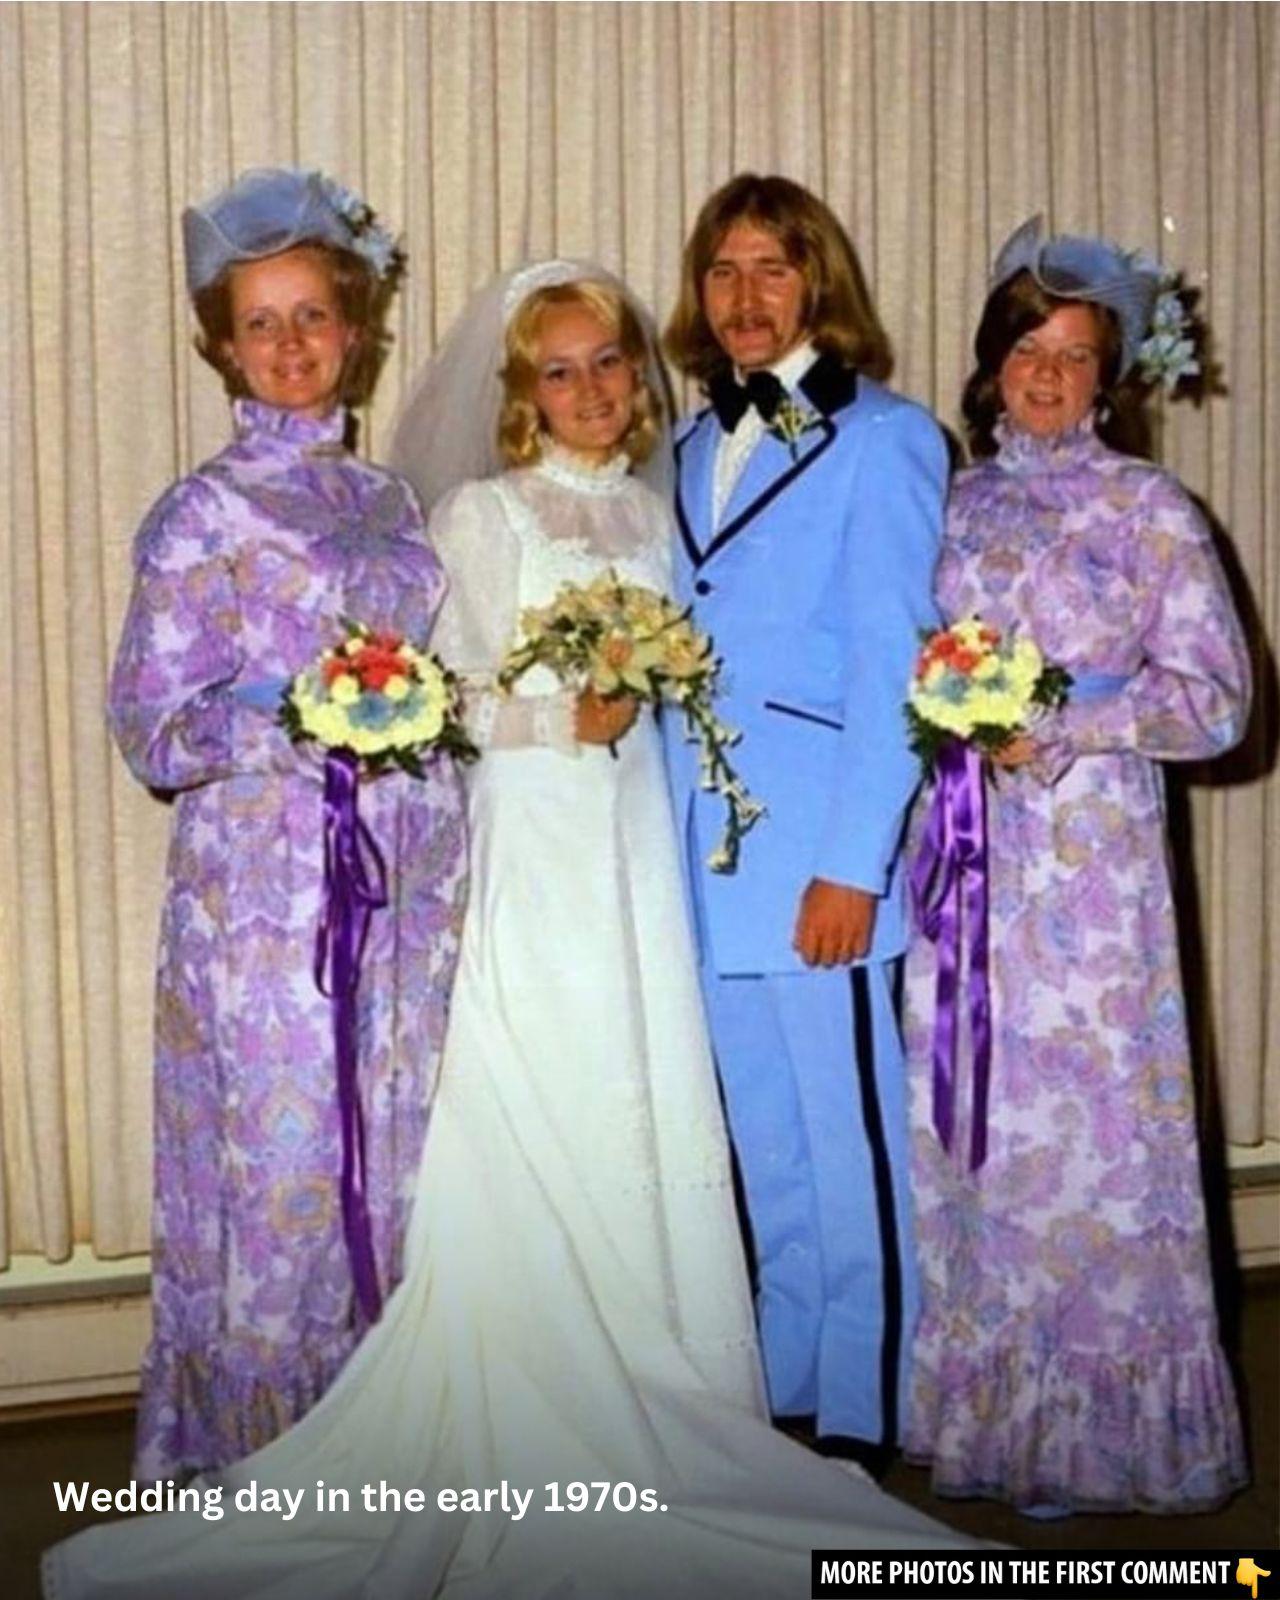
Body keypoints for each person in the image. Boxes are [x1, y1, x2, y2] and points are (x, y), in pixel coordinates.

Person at [45, 259, 969, 1600]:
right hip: (534, 839)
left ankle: (670, 1377)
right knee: (541, 1085)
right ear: (523, 389)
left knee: (649, 1089)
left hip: (638, 841)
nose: (588, 387)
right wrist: (557, 714)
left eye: (608, 362)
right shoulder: (479, 515)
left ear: (639, 377)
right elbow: (454, 694)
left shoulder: (662, 509)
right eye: (558, 368)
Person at [104, 167, 467, 1481]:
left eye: (313, 314)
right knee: (285, 1168)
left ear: (355, 330)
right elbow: (153, 725)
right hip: (267, 898)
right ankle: (264, 1468)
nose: (292, 343)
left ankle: (378, 1447)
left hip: (407, 878)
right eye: (261, 323)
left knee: (399, 1150)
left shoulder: (391, 503)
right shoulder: (201, 513)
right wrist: (305, 727)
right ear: (222, 346)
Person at [901, 215, 1250, 1515]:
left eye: (1074, 355)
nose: (1046, 376)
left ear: (1109, 376)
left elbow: (1217, 702)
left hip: (1095, 879)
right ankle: (992, 1424)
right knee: (976, 1133)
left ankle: (1099, 1440)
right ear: (992, 360)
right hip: (963, 864)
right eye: (1027, 350)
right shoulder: (950, 503)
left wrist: (1068, 726)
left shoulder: (1149, 509)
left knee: (1091, 1151)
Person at [662, 174, 947, 1466]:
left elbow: (896, 670)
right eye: (723, 271)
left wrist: (853, 867)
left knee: (850, 1153)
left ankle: (872, 1413)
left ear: (817, 280)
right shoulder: (683, 448)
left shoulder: (886, 439)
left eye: (772, 268)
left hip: (819, 866)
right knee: (765, 1152)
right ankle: (792, 1400)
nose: (745, 296)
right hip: (705, 866)